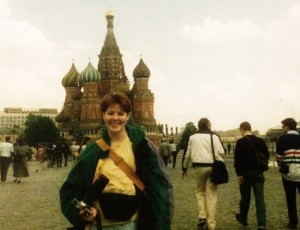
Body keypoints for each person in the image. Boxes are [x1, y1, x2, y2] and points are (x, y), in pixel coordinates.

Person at [60, 92, 173, 230]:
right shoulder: (93, 151)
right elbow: (70, 190)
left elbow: (161, 186)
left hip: (133, 224)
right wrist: (82, 210)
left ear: (128, 116)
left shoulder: (142, 146)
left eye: (120, 114)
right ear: (103, 115)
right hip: (99, 225)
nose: (115, 118)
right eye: (110, 113)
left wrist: (162, 225)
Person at [182, 118, 225, 230]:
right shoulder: (215, 136)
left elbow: (187, 153)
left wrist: (184, 167)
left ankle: (202, 216)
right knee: (211, 195)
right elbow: (222, 152)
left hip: (198, 167)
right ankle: (211, 224)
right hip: (212, 167)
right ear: (208, 125)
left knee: (200, 191)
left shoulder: (192, 137)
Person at [234, 121, 269, 230]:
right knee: (260, 198)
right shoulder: (259, 140)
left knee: (245, 197)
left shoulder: (240, 142)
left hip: (245, 173)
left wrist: (238, 174)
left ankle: (243, 218)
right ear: (250, 128)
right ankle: (261, 224)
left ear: (242, 130)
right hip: (258, 173)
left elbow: (237, 160)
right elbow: (266, 155)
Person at [276, 118, 300, 229]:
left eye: (283, 126)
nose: (282, 128)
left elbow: (279, 158)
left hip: (288, 174)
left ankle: (293, 222)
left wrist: (282, 165)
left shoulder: (282, 139)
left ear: (287, 126)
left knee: (290, 199)